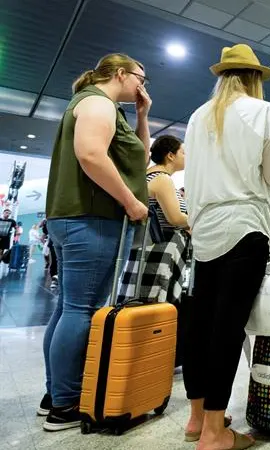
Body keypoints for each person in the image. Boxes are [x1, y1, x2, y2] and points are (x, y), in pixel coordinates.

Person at [40, 53, 151, 431]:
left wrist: (142, 115)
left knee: (68, 308)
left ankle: (55, 393)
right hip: (91, 218)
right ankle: (65, 405)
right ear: (120, 74)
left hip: (74, 218)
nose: (143, 85)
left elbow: (136, 156)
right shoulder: (97, 102)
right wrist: (131, 201)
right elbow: (90, 154)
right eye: (141, 78)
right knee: (80, 310)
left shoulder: (102, 106)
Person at [183, 43, 270, 450]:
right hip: (245, 227)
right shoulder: (265, 112)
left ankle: (195, 419)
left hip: (204, 230)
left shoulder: (196, 116)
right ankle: (214, 433)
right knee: (228, 329)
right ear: (254, 78)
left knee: (201, 324)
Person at [117, 135, 190, 304]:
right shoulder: (162, 179)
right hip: (160, 249)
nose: (187, 157)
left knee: (140, 298)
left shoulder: (149, 176)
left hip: (149, 247)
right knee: (154, 300)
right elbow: (175, 218)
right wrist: (202, 221)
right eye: (184, 153)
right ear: (170, 155)